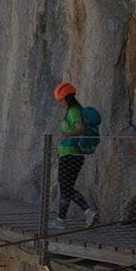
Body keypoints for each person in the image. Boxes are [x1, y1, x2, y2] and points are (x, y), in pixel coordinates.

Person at [49, 82, 98, 229]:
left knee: (66, 187)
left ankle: (86, 212)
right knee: (66, 187)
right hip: (70, 155)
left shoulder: (73, 111)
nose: (60, 104)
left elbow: (80, 129)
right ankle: (61, 220)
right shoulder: (74, 110)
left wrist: (67, 134)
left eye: (60, 100)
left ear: (66, 98)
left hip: (71, 155)